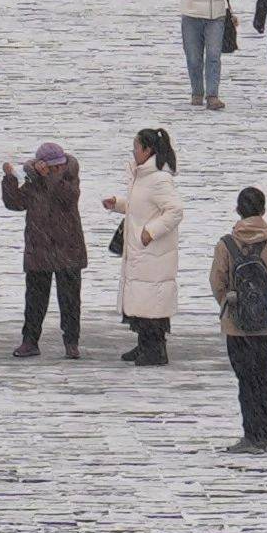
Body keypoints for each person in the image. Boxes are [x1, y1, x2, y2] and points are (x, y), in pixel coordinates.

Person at [211, 185, 267, 446]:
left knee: (245, 380)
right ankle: (264, 435)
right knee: (265, 379)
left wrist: (233, 304)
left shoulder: (226, 244)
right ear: (263, 210)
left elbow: (217, 281)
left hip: (237, 327)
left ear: (238, 210)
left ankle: (251, 435)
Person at [106, 127, 186, 364]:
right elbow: (141, 205)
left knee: (152, 303)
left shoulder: (159, 179)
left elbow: (175, 211)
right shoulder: (141, 176)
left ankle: (155, 350)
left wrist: (151, 231)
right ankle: (144, 345)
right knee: (142, 301)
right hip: (141, 252)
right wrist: (119, 204)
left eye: (136, 147)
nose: (133, 152)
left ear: (147, 150)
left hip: (153, 253)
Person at [5, 139, 88, 358]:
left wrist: (49, 177)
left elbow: (67, 197)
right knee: (34, 300)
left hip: (68, 248)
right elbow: (14, 203)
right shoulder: (33, 183)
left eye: (59, 166)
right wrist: (10, 179)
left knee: (70, 301)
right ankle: (30, 341)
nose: (57, 169)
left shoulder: (70, 178)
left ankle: (71, 343)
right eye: (53, 167)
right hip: (39, 249)